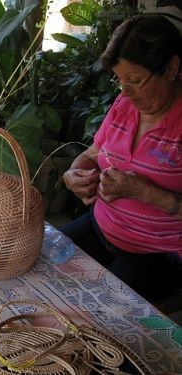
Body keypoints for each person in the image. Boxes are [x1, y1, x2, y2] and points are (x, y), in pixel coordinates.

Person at [61, 14, 181, 302]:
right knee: (38, 263)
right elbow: (93, 154)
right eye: (120, 81)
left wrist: (145, 192)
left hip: (155, 253)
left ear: (172, 68)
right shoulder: (124, 104)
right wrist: (73, 174)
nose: (126, 92)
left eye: (135, 81)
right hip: (100, 227)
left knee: (101, 311)